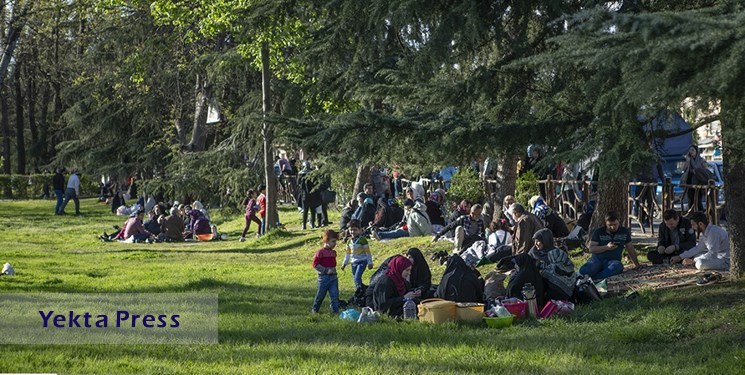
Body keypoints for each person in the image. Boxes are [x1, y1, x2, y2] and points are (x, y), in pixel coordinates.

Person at [579, 211, 640, 279]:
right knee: (586, 270)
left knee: (618, 267)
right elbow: (591, 249)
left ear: (619, 222)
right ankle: (583, 276)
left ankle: (596, 277)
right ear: (605, 223)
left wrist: (636, 264)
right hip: (597, 259)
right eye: (610, 225)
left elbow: (630, 248)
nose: (613, 227)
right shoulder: (599, 232)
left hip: (613, 261)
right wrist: (606, 247)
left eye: (615, 224)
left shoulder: (624, 232)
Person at [529, 228, 576, 302]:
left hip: (556, 286)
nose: (536, 244)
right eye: (535, 241)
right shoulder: (533, 252)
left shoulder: (557, 253)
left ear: (546, 240)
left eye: (538, 241)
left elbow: (568, 269)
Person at [311, 229, 341, 314]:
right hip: (324, 278)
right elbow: (315, 264)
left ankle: (335, 312)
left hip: (333, 277)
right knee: (320, 296)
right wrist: (326, 270)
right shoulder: (320, 252)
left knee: (335, 296)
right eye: (333, 241)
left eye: (335, 241)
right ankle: (315, 310)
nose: (335, 243)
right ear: (326, 241)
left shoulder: (333, 252)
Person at [341, 220, 373, 290]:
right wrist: (344, 263)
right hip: (353, 262)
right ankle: (363, 290)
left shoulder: (362, 240)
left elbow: (368, 252)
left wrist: (370, 263)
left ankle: (359, 291)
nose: (353, 232)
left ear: (360, 230)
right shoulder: (349, 241)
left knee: (357, 277)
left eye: (355, 230)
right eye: (351, 230)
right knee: (355, 279)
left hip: (362, 261)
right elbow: (347, 253)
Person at [681, 145, 707, 212]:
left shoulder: (701, 160)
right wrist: (687, 161)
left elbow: (705, 170)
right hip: (690, 182)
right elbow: (684, 169)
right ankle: (692, 215)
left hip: (699, 182)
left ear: (696, 151)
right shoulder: (689, 160)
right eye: (690, 150)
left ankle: (700, 214)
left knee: (698, 200)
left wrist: (696, 171)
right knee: (690, 200)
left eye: (693, 150)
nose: (691, 152)